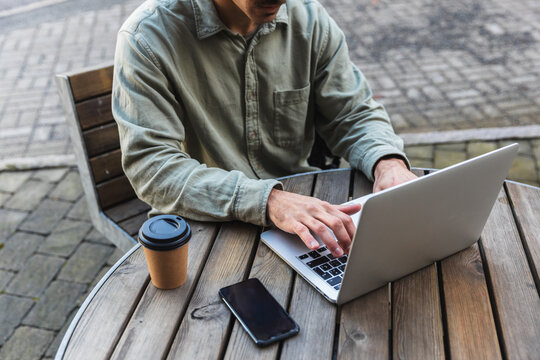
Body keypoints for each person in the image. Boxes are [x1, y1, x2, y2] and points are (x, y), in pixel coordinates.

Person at [112, 0, 417, 258]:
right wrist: (268, 200)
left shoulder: (309, 20)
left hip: (304, 217)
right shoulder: (147, 38)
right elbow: (153, 167)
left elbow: (352, 112)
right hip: (206, 223)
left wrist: (387, 162)